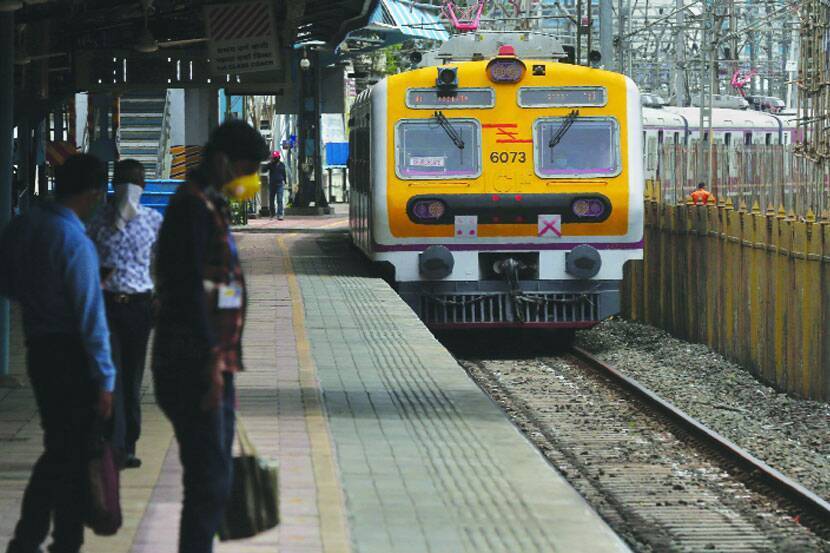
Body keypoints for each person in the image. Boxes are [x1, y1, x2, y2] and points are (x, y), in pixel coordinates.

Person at [152, 120, 269, 553]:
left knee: (211, 478)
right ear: (222, 161)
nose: (250, 178)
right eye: (247, 167)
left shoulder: (209, 203)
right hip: (194, 364)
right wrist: (210, 361)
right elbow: (185, 291)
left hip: (213, 361)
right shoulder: (191, 208)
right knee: (209, 480)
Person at [0, 154, 116, 553]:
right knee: (66, 452)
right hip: (72, 356)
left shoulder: (23, 226)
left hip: (39, 349)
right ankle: (31, 539)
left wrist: (40, 300)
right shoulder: (74, 241)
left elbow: (8, 284)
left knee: (66, 447)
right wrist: (106, 379)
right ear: (92, 193)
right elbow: (90, 318)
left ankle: (66, 539)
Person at [88, 159, 163, 469]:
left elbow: (163, 261)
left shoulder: (153, 221)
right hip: (105, 306)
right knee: (111, 376)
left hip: (139, 306)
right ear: (112, 185)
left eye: (134, 182)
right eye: (123, 182)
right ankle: (111, 442)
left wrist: (159, 296)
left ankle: (127, 442)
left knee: (131, 377)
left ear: (143, 187)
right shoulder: (97, 221)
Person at [267, 150, 287, 219]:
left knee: (279, 199)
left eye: (276, 157)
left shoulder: (282, 165)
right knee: (271, 200)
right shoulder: (270, 164)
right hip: (272, 184)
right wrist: (269, 162)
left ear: (279, 157)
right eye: (274, 157)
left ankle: (280, 214)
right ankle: (272, 214)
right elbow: (264, 169)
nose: (275, 159)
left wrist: (285, 181)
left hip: (279, 184)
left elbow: (284, 173)